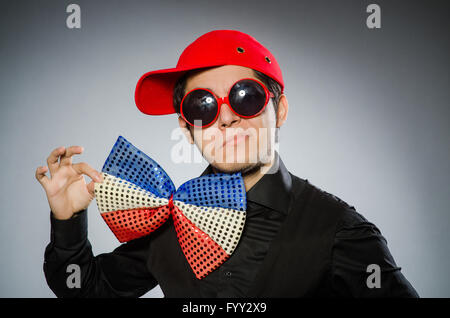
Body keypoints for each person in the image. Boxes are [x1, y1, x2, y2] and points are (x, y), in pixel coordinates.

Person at [35, 29, 419, 297]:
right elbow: (88, 290)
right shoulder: (167, 219)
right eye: (202, 105)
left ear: (279, 109)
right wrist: (67, 223)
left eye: (246, 97)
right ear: (187, 127)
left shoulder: (342, 231)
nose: (226, 117)